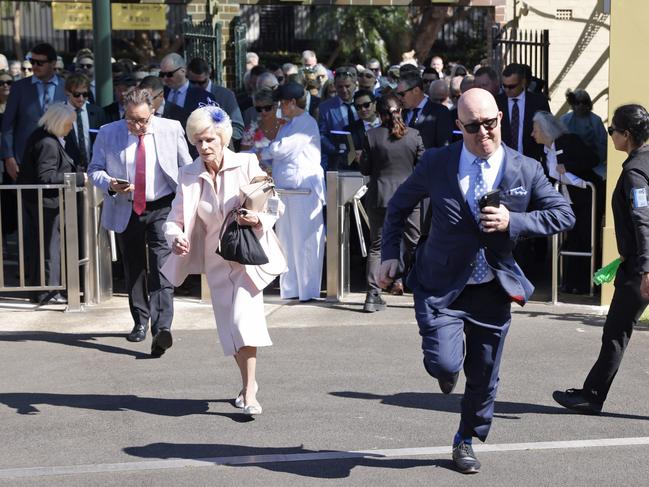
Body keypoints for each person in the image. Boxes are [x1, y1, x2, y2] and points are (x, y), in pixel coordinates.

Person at [379, 88, 574, 474]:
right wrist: (389, 255)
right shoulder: (437, 162)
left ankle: (465, 438)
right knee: (445, 364)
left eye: (490, 123)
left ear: (500, 117)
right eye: (472, 127)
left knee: (484, 375)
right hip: (440, 284)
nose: (483, 133)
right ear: (459, 126)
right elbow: (398, 208)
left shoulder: (525, 168)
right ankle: (445, 368)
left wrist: (513, 221)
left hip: (493, 287)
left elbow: (563, 214)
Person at [161, 106, 281, 416]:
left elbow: (271, 203)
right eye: (198, 141)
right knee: (230, 328)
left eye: (210, 140)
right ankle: (245, 385)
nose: (204, 147)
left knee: (244, 321)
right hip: (216, 260)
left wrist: (256, 218)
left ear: (224, 138)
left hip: (245, 257)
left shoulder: (246, 162)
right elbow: (174, 218)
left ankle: (251, 390)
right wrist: (175, 237)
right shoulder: (188, 172)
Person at [553, 104, 649, 415]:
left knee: (616, 332)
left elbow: (642, 219)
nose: (609, 135)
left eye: (613, 131)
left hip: (641, 267)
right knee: (616, 331)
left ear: (628, 135)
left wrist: (645, 266)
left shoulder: (635, 171)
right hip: (638, 263)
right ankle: (591, 393)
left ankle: (592, 395)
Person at [88, 88, 192, 356]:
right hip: (127, 206)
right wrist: (110, 183)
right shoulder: (109, 132)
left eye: (142, 120)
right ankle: (140, 320)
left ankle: (161, 329)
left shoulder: (171, 128)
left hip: (162, 206)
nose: (136, 125)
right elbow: (94, 169)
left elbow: (186, 167)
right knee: (133, 266)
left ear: (153, 113)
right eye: (130, 119)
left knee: (162, 265)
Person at [359, 94, 424, 312]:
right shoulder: (414, 136)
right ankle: (409, 282)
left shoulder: (371, 135)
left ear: (379, 114)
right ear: (401, 111)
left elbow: (365, 169)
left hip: (380, 197)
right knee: (413, 242)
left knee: (377, 246)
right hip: (408, 197)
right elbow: (422, 166)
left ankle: (372, 294)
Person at [261, 83, 325, 301]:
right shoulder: (287, 125)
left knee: (306, 242)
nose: (280, 108)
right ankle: (291, 289)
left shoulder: (306, 123)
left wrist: (264, 152)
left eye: (281, 103)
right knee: (286, 242)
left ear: (290, 103)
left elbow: (281, 149)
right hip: (286, 191)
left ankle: (308, 290)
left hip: (303, 191)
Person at [17, 103, 85, 304]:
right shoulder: (47, 143)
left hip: (43, 203)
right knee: (49, 248)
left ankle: (46, 291)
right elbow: (46, 177)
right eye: (69, 124)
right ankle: (49, 291)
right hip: (46, 204)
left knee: (45, 247)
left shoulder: (42, 136)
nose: (71, 128)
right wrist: (79, 178)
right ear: (58, 123)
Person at [531, 111, 602, 294]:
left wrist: (568, 167)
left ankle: (587, 284)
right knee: (572, 240)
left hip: (587, 198)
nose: (533, 134)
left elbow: (592, 159)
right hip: (568, 200)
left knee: (586, 239)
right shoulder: (544, 151)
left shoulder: (570, 141)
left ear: (546, 131)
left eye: (535, 130)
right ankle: (570, 283)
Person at [1, 43, 66, 182]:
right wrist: (8, 158)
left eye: (40, 62)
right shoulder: (19, 88)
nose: (34, 66)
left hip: (59, 159)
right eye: (32, 61)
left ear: (53, 63)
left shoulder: (66, 87)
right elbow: (7, 126)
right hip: (23, 160)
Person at [496, 63, 550, 162]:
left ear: (523, 82)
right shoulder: (497, 102)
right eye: (504, 86)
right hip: (503, 160)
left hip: (530, 160)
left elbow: (547, 131)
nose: (507, 90)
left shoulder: (538, 102)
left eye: (511, 86)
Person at [185, 57, 244, 144]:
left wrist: (220, 140)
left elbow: (238, 127)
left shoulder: (225, 95)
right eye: (193, 82)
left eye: (201, 82)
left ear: (209, 75)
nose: (197, 86)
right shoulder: (184, 95)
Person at [397, 72, 453, 149]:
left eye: (402, 94)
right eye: (398, 95)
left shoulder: (440, 112)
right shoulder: (400, 112)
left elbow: (444, 147)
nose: (399, 98)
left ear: (416, 90)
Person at [63, 73, 106, 170]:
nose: (81, 98)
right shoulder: (60, 113)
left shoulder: (97, 112)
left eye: (85, 94)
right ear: (67, 92)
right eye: (77, 94)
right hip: (68, 169)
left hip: (94, 167)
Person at [560, 89, 608, 176]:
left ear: (589, 104)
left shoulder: (596, 120)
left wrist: (596, 159)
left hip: (592, 163)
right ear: (573, 104)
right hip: (570, 162)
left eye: (584, 102)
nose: (581, 105)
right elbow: (559, 142)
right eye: (577, 102)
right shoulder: (564, 120)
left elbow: (603, 144)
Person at [318, 67, 358, 171]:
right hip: (338, 162)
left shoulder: (364, 104)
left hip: (363, 158)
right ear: (335, 86)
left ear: (355, 85)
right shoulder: (326, 107)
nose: (344, 90)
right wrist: (336, 150)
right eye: (340, 87)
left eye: (347, 86)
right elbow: (322, 135)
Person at [240, 88, 285, 172]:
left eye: (267, 108)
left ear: (275, 106)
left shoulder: (286, 127)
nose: (263, 112)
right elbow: (244, 159)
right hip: (260, 179)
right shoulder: (250, 131)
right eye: (259, 109)